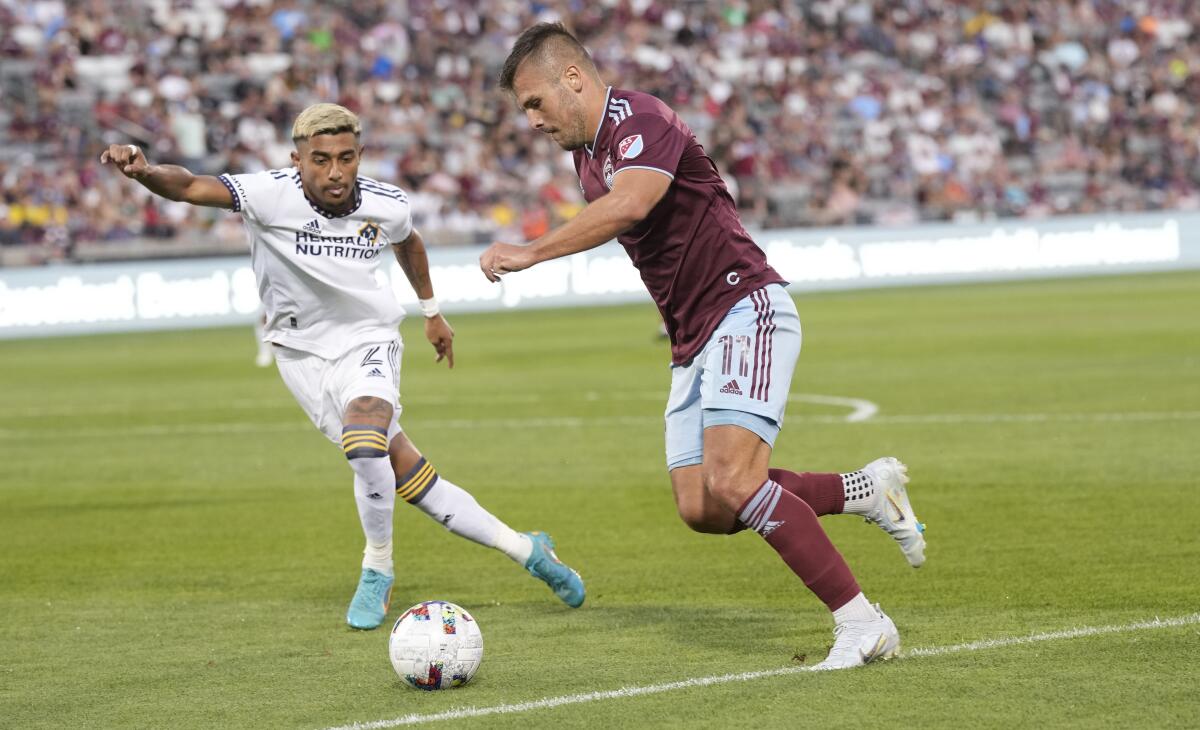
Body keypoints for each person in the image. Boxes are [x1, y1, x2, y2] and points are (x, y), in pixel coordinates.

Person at [480, 23, 925, 670]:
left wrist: (533, 251)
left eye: (534, 103)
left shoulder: (641, 120)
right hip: (694, 337)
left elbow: (633, 205)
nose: (532, 121)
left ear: (571, 78)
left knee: (734, 478)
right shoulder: (587, 156)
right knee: (704, 506)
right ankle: (864, 489)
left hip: (745, 307)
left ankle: (863, 624)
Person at [102, 103, 585, 630]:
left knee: (364, 439)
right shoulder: (268, 194)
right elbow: (190, 186)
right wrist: (147, 172)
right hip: (301, 353)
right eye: (320, 160)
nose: (335, 172)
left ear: (360, 156)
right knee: (404, 473)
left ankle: (377, 567)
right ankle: (527, 550)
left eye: (346, 158)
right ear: (297, 160)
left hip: (369, 337)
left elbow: (409, 244)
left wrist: (431, 312)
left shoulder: (387, 203)